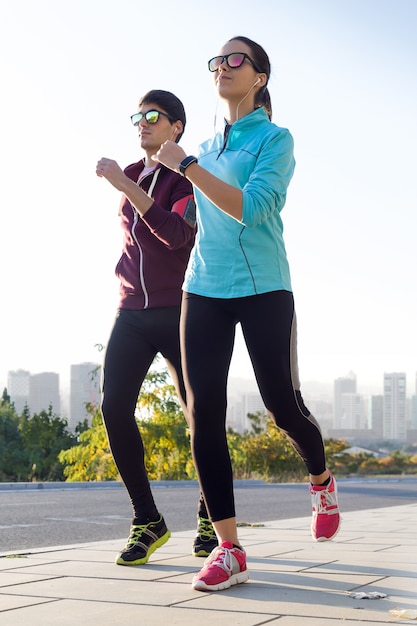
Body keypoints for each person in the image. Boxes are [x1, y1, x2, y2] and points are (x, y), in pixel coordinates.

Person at [153, 39, 341, 591]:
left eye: (235, 60)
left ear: (259, 77)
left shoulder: (275, 141)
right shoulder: (206, 145)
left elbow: (253, 209)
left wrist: (187, 167)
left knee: (282, 403)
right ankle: (229, 548)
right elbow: (189, 212)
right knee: (202, 413)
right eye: (216, 61)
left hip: (263, 288)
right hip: (203, 289)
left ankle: (321, 478)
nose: (222, 67)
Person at [95, 90, 218, 567]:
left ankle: (212, 516)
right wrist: (127, 184)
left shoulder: (186, 176)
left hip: (180, 309)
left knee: (200, 414)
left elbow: (178, 235)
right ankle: (148, 519)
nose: (142, 123)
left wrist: (128, 189)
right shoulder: (133, 172)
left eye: (153, 116)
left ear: (176, 127)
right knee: (113, 408)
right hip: (131, 311)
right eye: (138, 117)